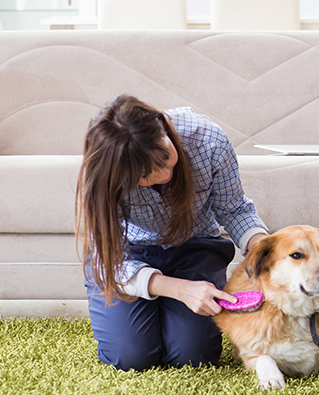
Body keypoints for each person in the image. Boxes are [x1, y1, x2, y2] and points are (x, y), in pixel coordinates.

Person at [75, 94, 269, 371]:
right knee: (132, 357)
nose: (165, 174)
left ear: (162, 128)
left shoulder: (208, 140)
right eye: (145, 176)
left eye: (165, 157)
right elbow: (110, 258)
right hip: (128, 256)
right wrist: (178, 290)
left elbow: (234, 208)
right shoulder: (101, 172)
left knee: (192, 358)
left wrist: (263, 248)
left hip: (195, 250)